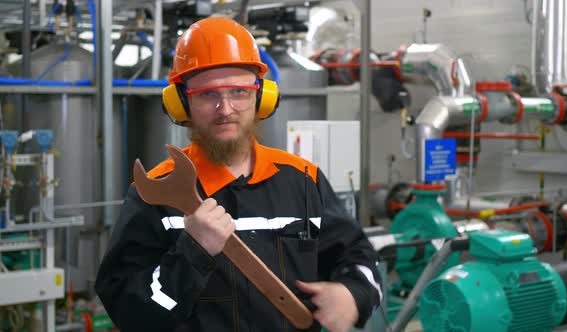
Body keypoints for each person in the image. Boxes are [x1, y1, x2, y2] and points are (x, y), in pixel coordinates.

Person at [95, 17, 382, 332]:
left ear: (261, 97)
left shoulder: (302, 180)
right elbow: (130, 312)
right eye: (207, 94)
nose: (225, 108)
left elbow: (360, 259)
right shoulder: (156, 196)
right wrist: (192, 250)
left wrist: (353, 293)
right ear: (181, 104)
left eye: (238, 91)